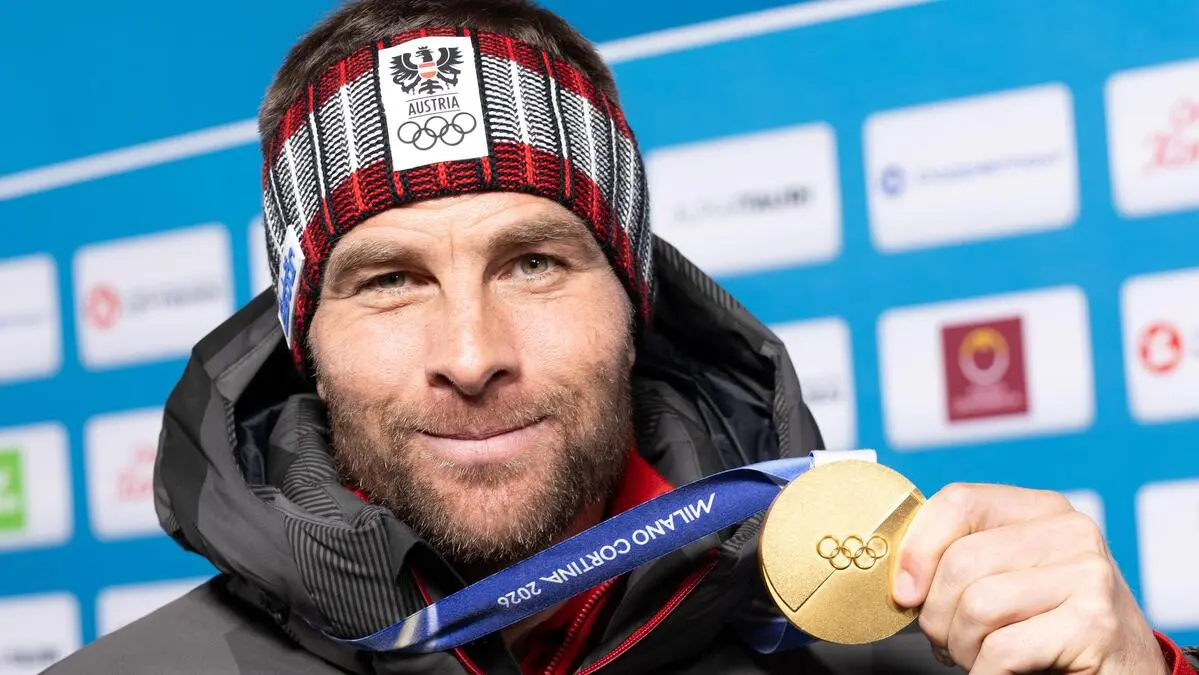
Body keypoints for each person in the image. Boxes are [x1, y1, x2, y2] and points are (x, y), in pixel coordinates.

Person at [48, 1, 1198, 673]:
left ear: (633, 298)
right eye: (389, 281)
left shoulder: (928, 655)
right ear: (307, 338)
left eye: (534, 262)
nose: (471, 352)